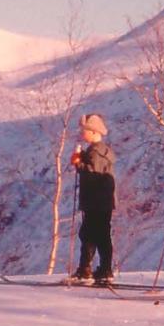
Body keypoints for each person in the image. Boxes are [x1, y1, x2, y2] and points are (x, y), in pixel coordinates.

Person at [67, 113, 116, 285]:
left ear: (94, 132)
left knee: (90, 235)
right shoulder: (103, 150)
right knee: (100, 235)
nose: (82, 133)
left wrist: (78, 163)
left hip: (96, 201)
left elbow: (92, 174)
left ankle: (88, 269)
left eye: (85, 130)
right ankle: (101, 269)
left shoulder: (95, 152)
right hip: (102, 202)